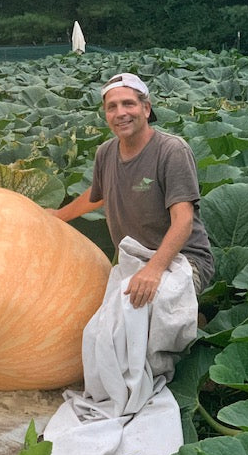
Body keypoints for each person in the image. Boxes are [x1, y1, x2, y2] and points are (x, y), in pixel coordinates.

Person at [50, 72, 214, 308]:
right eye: (112, 107)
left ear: (146, 109)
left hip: (183, 258)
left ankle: (188, 329)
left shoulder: (172, 151)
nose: (120, 113)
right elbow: (98, 195)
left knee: (152, 306)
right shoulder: (105, 153)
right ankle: (191, 321)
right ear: (106, 114)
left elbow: (184, 220)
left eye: (128, 104)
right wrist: (58, 216)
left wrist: (154, 270)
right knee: (109, 322)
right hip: (133, 259)